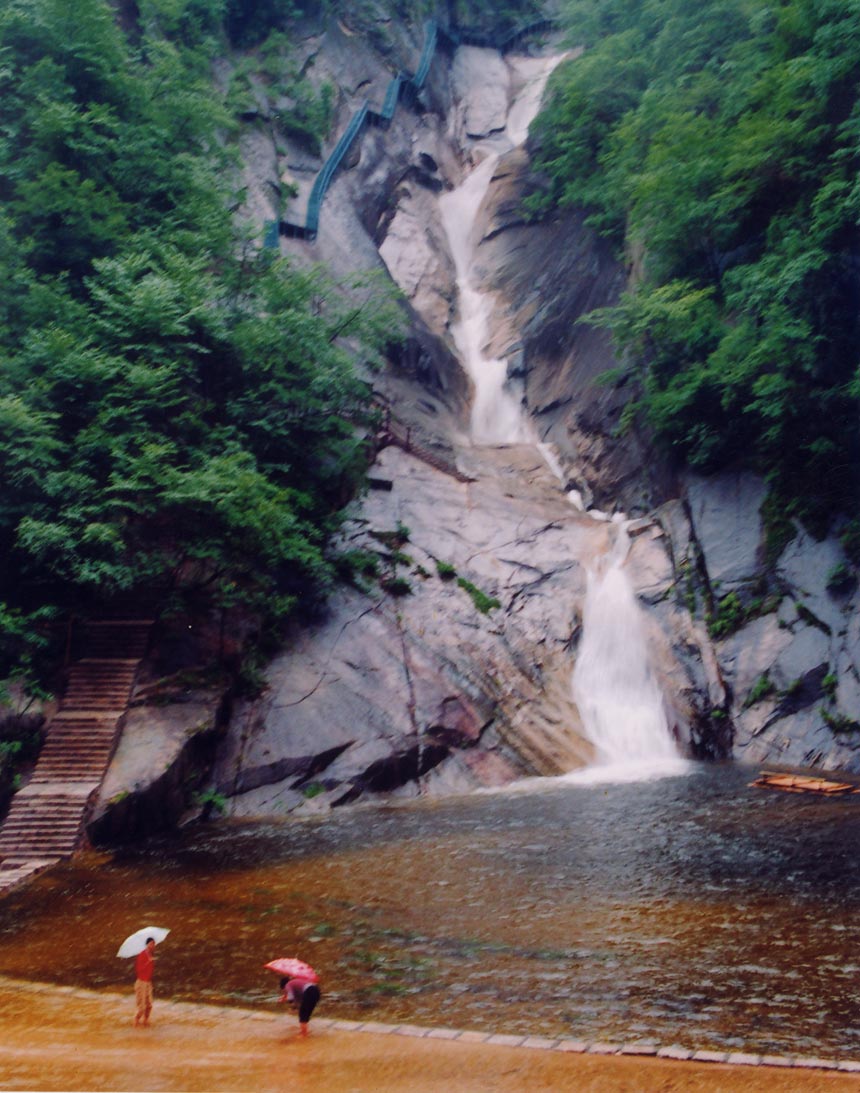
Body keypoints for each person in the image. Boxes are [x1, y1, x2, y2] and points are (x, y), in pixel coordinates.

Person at [133, 937, 157, 1027]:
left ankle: (145, 1021)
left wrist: (150, 961)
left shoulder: (151, 955)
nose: (153, 946)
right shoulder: (142, 955)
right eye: (151, 944)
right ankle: (136, 1020)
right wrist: (148, 962)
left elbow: (150, 971)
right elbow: (138, 970)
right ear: (147, 944)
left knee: (149, 1005)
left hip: (148, 982)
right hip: (141, 982)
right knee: (142, 1007)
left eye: (154, 944)